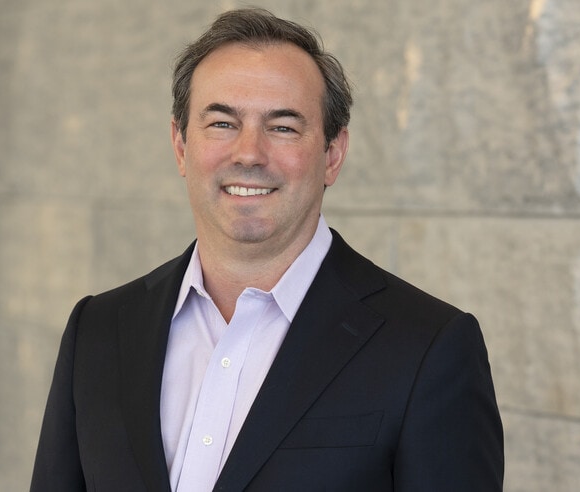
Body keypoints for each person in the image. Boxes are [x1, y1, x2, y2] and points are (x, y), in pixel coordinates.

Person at [31, 8, 503, 491]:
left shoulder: (428, 348)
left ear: (333, 154)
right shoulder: (98, 330)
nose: (249, 153)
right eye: (221, 123)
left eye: (283, 127)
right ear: (180, 145)